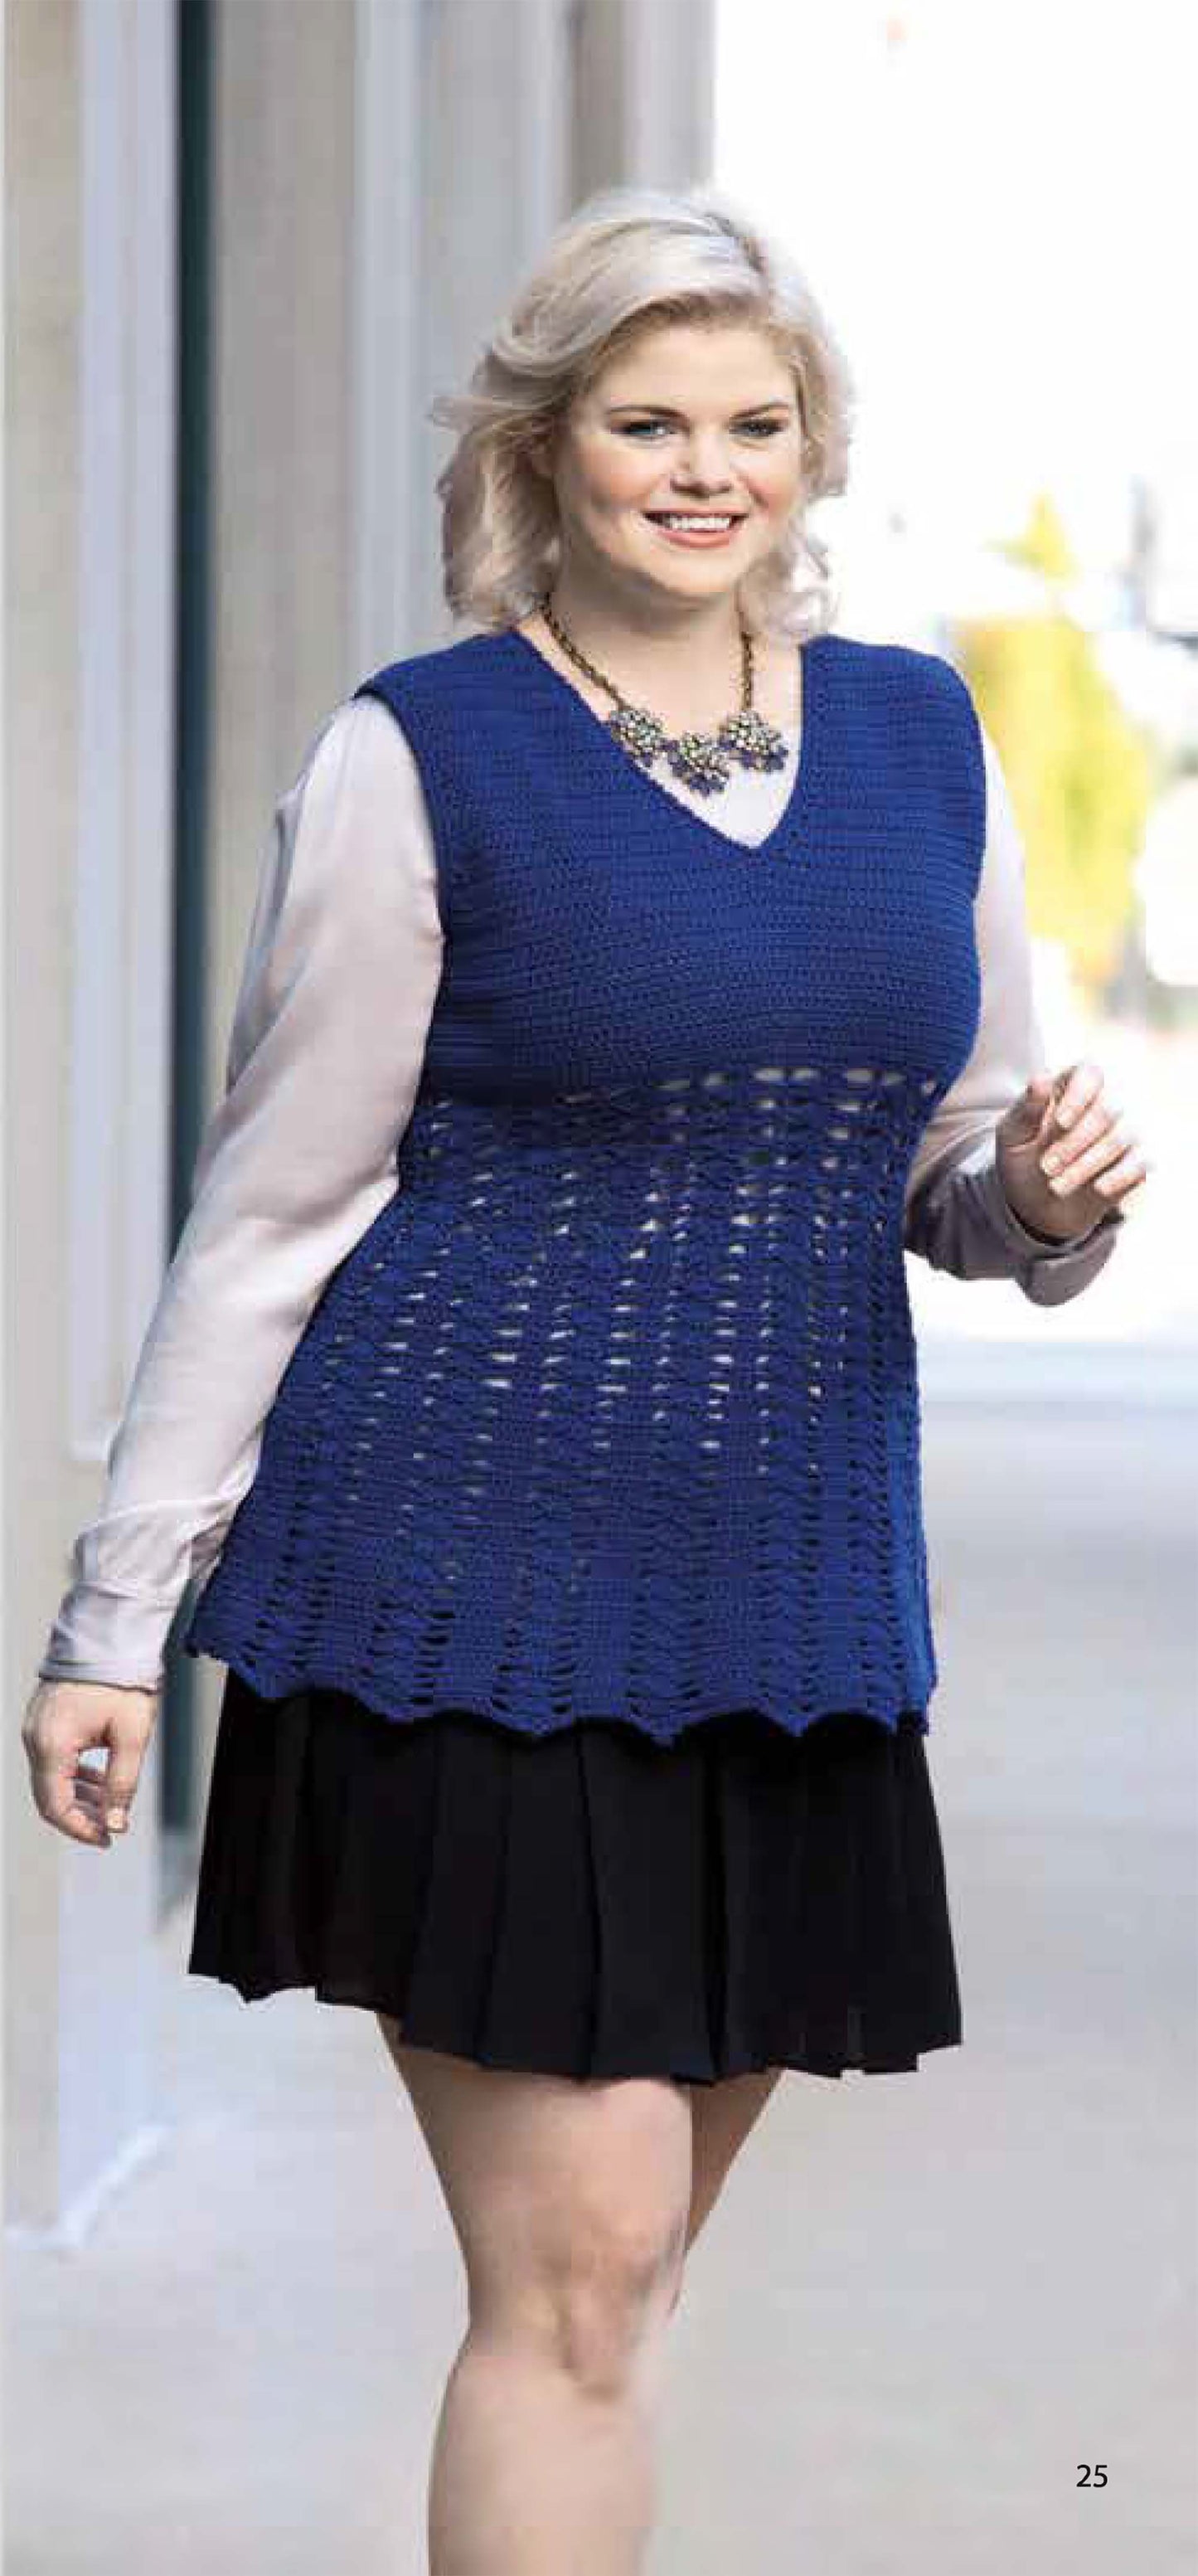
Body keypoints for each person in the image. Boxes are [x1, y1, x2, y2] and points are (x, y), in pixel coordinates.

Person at [23, 184, 1150, 2573]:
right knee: (579, 2263)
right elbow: (276, 1209)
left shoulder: (918, 735)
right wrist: (115, 1616)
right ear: (552, 443)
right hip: (471, 1609)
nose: (704, 465)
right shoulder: (422, 754)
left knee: (618, 2286)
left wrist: (1043, 1201)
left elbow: (948, 1172)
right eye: (649, 418)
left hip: (791, 1619)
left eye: (754, 420)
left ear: (813, 448)